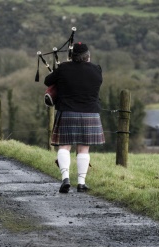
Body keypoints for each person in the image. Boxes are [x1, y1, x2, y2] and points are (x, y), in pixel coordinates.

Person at [44, 42, 105, 193]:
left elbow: (47, 81)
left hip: (68, 112)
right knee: (84, 148)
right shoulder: (97, 70)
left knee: (64, 146)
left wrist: (62, 69)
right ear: (88, 57)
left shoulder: (64, 69)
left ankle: (65, 178)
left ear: (72, 56)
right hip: (90, 113)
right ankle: (81, 183)